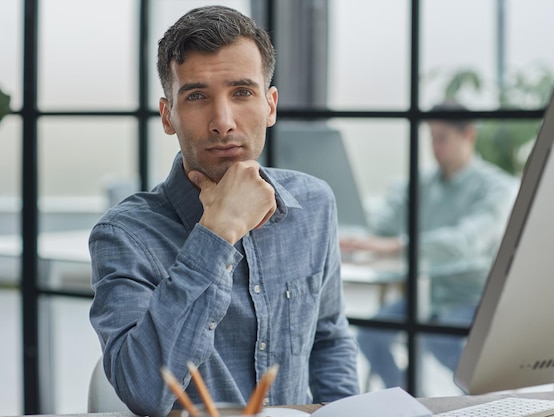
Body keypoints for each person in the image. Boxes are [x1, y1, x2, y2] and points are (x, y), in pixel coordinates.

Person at [89, 6, 359, 417]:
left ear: (270, 106)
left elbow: (329, 340)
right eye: (197, 96)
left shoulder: (314, 203)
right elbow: (144, 391)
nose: (223, 121)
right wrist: (217, 232)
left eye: (242, 92)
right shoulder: (124, 235)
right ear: (168, 116)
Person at [342, 101, 518, 389]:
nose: (436, 147)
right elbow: (383, 223)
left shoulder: (496, 187)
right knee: (370, 335)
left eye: (443, 138)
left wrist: (399, 245)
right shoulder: (422, 183)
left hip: (473, 297)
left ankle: (486, 398)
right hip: (427, 294)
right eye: (432, 138)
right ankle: (411, 398)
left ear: (468, 136)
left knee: (435, 338)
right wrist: (352, 232)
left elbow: (464, 243)